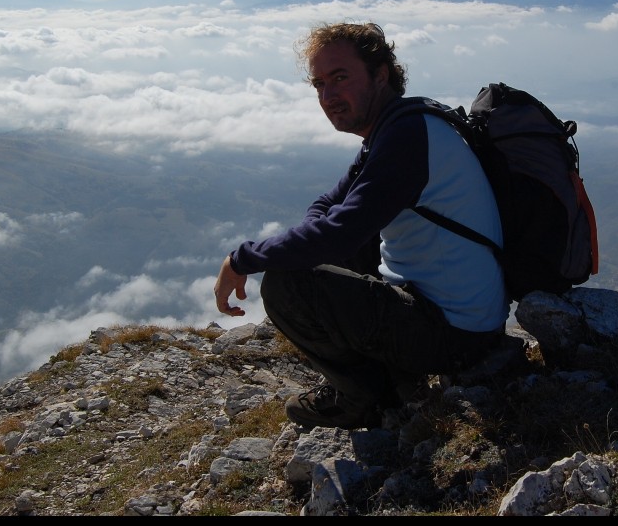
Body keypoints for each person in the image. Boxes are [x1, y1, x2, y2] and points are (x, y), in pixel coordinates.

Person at [214, 21, 509, 430]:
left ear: (381, 75)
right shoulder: (399, 125)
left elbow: (337, 233)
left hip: (455, 336)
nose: (328, 96)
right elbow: (330, 205)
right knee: (331, 245)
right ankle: (385, 377)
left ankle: (364, 398)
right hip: (458, 316)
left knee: (286, 282)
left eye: (340, 78)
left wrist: (241, 259)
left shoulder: (404, 137)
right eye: (318, 84)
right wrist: (325, 235)